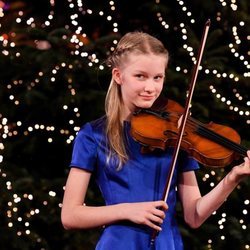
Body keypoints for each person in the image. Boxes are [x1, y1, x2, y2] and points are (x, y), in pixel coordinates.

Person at [61, 31, 250, 250]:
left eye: (157, 77)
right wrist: (127, 210)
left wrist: (233, 178)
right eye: (140, 76)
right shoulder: (93, 135)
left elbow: (194, 216)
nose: (150, 88)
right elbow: (70, 215)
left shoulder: (176, 134)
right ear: (118, 75)